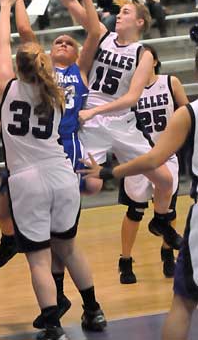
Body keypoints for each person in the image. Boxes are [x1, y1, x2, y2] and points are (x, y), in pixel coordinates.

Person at [25, 0, 183, 257]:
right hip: (93, 126)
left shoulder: (143, 53)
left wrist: (95, 111)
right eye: (119, 11)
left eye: (125, 12)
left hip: (120, 122)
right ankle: (51, 228)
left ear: (139, 22)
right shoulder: (103, 36)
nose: (118, 16)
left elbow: (133, 97)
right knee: (84, 185)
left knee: (165, 180)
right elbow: (72, 3)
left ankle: (161, 221)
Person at [0, 0, 106, 339]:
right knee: (69, 249)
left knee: (39, 260)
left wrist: (7, 6)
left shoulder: (8, 88)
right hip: (61, 174)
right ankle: (94, 310)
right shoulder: (58, 91)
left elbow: (5, 44)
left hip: (28, 180)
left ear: (18, 69)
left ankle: (53, 325)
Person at [78, 98, 198, 340]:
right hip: (138, 147)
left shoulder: (187, 109)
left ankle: (162, 241)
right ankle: (127, 259)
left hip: (148, 154)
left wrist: (110, 171)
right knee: (135, 212)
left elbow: (154, 159)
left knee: (184, 302)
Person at [117, 45, 188, 284]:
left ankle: (167, 253)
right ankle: (125, 260)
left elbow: (188, 113)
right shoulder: (127, 90)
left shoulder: (170, 82)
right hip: (138, 157)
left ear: (155, 61)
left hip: (165, 154)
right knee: (135, 212)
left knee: (168, 210)